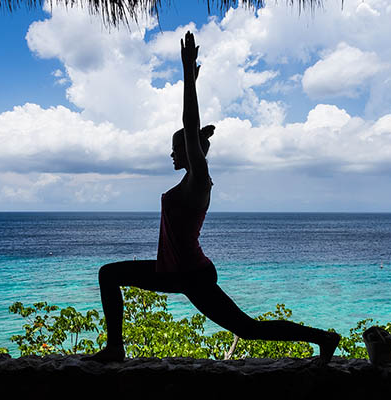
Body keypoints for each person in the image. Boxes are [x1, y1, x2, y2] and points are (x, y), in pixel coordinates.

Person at [84, 31, 340, 365]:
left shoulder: (198, 180)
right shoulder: (188, 182)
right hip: (171, 271)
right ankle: (115, 347)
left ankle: (323, 338)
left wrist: (188, 75)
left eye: (176, 149)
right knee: (109, 274)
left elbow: (190, 123)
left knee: (247, 328)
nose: (171, 154)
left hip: (191, 274)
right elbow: (190, 132)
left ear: (190, 151)